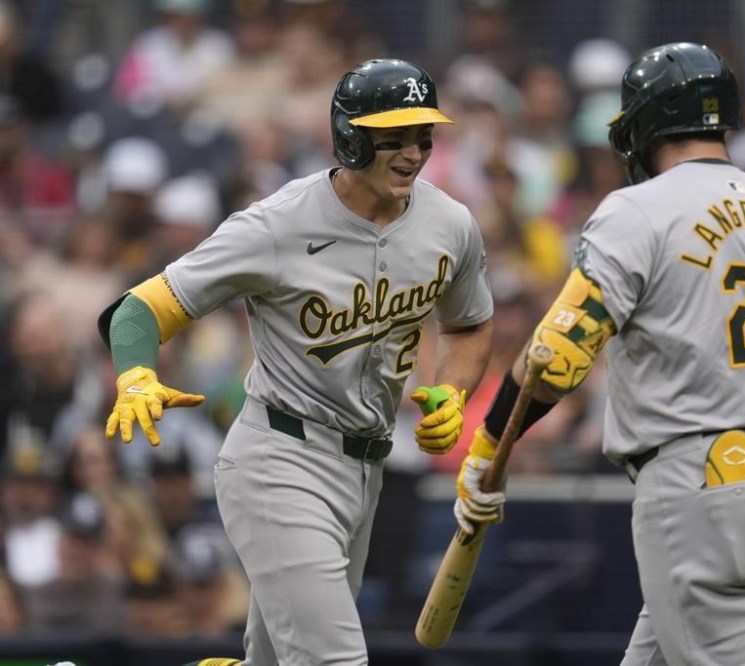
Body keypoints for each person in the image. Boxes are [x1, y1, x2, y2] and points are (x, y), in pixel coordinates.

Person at [453, 42, 745, 665]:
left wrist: (487, 448)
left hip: (706, 479)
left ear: (647, 123)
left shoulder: (639, 209)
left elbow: (557, 356)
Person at [99, 58, 494, 665]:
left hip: (368, 467)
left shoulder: (450, 223)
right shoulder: (278, 224)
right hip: (280, 459)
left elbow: (467, 325)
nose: (413, 154)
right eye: (393, 139)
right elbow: (135, 312)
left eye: (423, 137)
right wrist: (135, 373)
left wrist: (453, 390)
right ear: (350, 138)